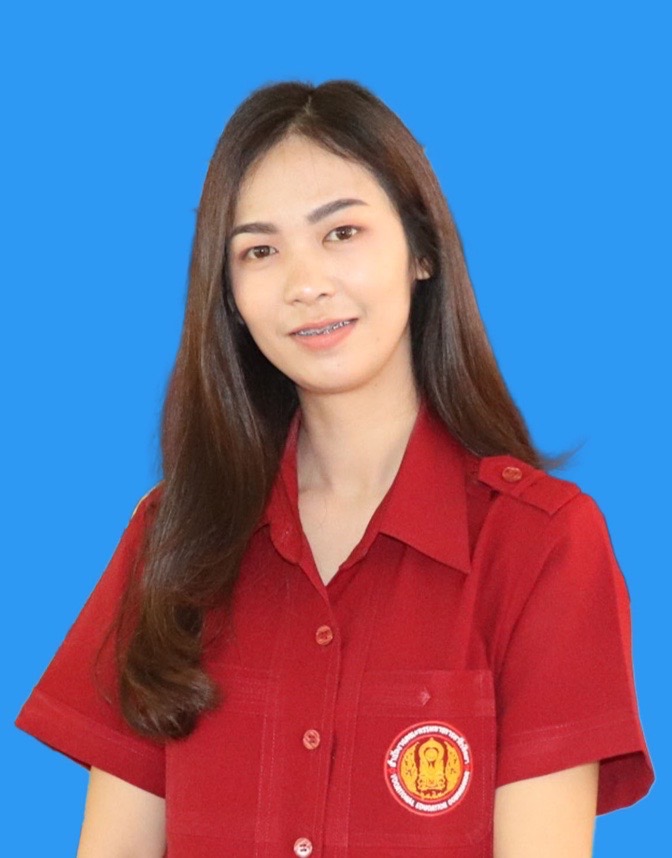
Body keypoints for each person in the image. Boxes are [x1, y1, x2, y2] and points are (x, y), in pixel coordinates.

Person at [16, 79, 653, 857]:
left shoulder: (540, 545)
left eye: (342, 232)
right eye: (260, 251)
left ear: (422, 251)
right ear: (230, 296)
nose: (306, 284)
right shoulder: (174, 541)